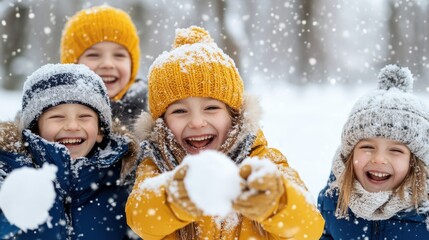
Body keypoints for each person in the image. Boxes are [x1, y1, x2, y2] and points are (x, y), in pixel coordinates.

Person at [125, 25, 324, 240]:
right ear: (162, 123)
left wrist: (276, 202)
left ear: (234, 115)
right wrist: (176, 197)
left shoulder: (264, 163)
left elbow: (309, 228)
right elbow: (141, 218)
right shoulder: (157, 168)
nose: (197, 122)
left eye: (211, 108)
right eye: (180, 111)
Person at [0, 64, 139, 239]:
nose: (72, 126)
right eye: (57, 117)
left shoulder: (123, 179)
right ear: (34, 129)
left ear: (100, 132)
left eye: (84, 117)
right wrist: (11, 215)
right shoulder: (9, 172)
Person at [318, 64, 429, 239]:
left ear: (414, 161)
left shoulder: (425, 210)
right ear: (350, 154)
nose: (379, 159)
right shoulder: (333, 200)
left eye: (395, 150)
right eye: (367, 147)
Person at [60, 5, 147, 128]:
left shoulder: (153, 117)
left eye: (119, 55)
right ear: (71, 64)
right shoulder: (52, 113)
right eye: (93, 55)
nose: (107, 64)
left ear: (132, 64)